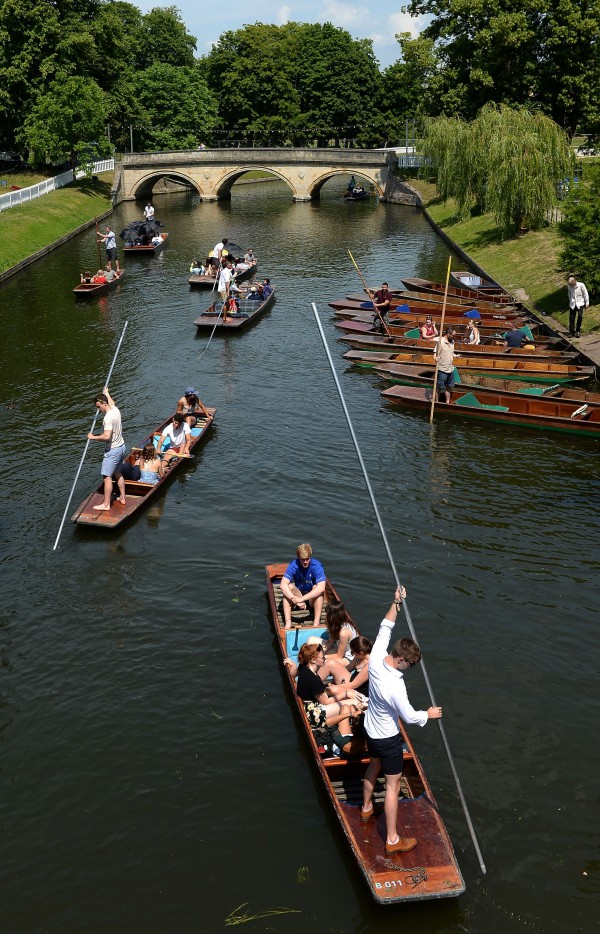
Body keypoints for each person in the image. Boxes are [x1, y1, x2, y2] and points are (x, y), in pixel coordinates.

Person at [361, 586, 442, 855]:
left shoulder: (375, 657)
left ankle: (365, 809)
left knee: (373, 765)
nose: (410, 669)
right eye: (409, 664)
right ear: (399, 659)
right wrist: (428, 715)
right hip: (387, 737)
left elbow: (385, 627)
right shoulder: (396, 685)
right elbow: (408, 716)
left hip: (370, 730)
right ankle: (393, 839)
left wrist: (395, 603)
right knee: (393, 785)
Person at [295, 642, 357, 728]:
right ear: (313, 660)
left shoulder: (304, 666)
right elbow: (325, 702)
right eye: (322, 657)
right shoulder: (313, 680)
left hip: (308, 704)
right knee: (354, 702)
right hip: (314, 713)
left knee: (344, 695)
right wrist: (345, 694)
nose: (325, 659)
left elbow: (293, 673)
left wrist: (291, 664)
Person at [87, 386, 126, 511]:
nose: (98, 410)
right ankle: (123, 497)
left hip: (113, 450)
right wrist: (107, 393)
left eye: (99, 407)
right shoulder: (115, 409)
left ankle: (106, 504)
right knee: (118, 473)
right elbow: (112, 402)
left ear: (104, 403)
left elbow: (106, 436)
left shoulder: (108, 418)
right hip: (122, 447)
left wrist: (92, 437)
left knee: (107, 477)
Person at [280, 543, 326, 629]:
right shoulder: (293, 565)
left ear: (310, 557)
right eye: (302, 559)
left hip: (312, 598)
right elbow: (283, 585)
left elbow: (322, 587)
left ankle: (316, 623)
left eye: (307, 559)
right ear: (298, 558)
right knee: (289, 587)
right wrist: (296, 600)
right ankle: (288, 622)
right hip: (299, 594)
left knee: (317, 588)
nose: (305, 562)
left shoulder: (317, 566)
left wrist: (302, 599)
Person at [323, 600, 358, 664]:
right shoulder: (335, 625)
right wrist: (321, 651)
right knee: (311, 640)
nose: (326, 616)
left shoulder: (344, 632)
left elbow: (339, 656)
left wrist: (321, 657)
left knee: (324, 663)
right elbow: (330, 642)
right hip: (340, 650)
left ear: (332, 616)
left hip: (349, 659)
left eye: (327, 614)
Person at [434, 327, 459, 403]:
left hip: (450, 369)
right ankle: (437, 401)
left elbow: (451, 352)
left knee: (449, 386)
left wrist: (455, 355)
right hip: (442, 369)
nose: (454, 337)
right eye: (453, 335)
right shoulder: (440, 342)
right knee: (439, 387)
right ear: (448, 334)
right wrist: (436, 359)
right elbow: (434, 354)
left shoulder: (452, 342)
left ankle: (447, 402)